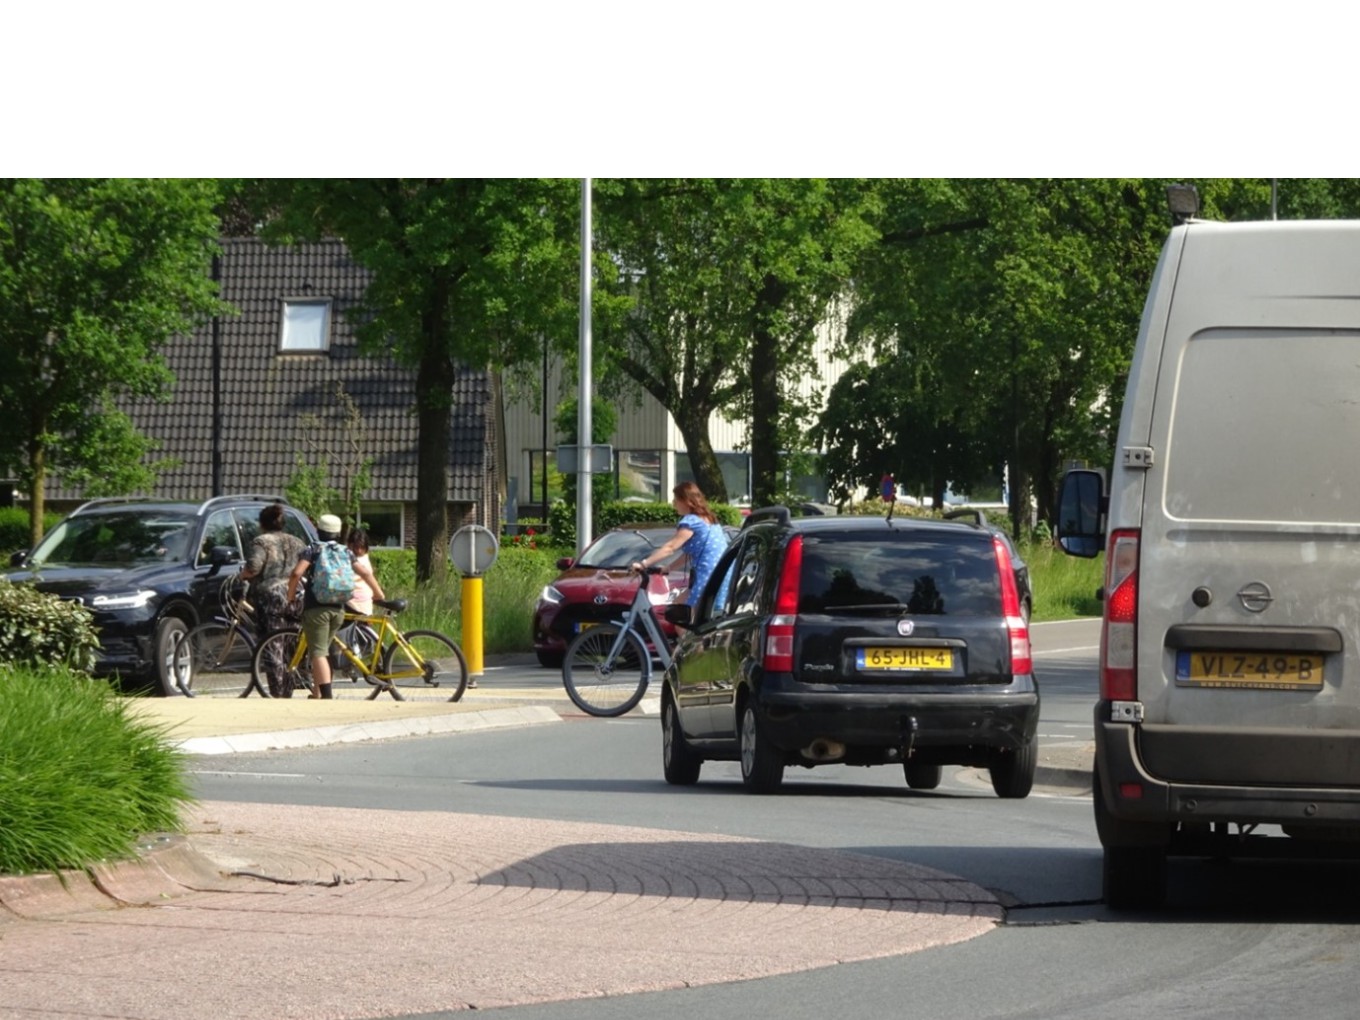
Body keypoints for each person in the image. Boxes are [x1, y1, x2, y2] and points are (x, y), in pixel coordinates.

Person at [286, 514, 385, 700]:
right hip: (339, 609)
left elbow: (297, 573)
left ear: (318, 531)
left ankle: (327, 697)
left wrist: (290, 597)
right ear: (338, 533)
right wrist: (379, 594)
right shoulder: (345, 552)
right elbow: (364, 572)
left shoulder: (313, 548)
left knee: (318, 653)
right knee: (323, 651)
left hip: (317, 608)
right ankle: (317, 694)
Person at [237, 503, 306, 697]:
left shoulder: (262, 542)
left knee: (273, 645)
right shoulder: (297, 542)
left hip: (272, 597)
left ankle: (278, 693)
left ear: (262, 524)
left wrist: (241, 576)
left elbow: (253, 567)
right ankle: (291, 687)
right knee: (292, 645)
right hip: (296, 594)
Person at [630, 481, 730, 613]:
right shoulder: (708, 519)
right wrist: (669, 568)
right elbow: (690, 553)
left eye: (676, 500)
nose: (674, 504)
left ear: (687, 501)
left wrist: (644, 564)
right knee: (679, 606)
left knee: (687, 617)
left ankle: (687, 635)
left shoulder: (691, 521)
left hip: (707, 577)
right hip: (720, 574)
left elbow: (670, 547)